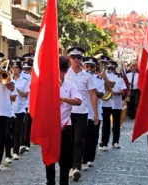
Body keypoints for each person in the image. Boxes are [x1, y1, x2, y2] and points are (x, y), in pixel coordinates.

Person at [45, 56, 82, 185]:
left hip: (65, 127)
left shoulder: (70, 86)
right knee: (49, 159)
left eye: (61, 71)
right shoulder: (47, 86)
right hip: (50, 128)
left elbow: (78, 101)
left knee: (64, 161)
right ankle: (50, 182)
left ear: (65, 72)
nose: (59, 74)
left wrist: (65, 99)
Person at [64, 47, 98, 181]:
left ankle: (76, 167)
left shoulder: (87, 76)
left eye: (79, 57)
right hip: (67, 112)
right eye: (74, 57)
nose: (77, 60)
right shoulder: (64, 74)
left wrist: (95, 113)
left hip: (82, 112)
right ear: (69, 59)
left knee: (79, 140)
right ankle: (68, 166)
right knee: (68, 141)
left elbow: (92, 94)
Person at [82, 57, 105, 170]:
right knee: (83, 137)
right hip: (84, 110)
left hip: (96, 111)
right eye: (87, 66)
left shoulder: (99, 79)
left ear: (95, 67)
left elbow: (101, 94)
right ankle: (83, 159)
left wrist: (92, 89)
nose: (89, 68)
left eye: (92, 66)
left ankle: (90, 158)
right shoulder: (80, 77)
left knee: (93, 137)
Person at [10, 56, 30, 159]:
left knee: (17, 131)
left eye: (16, 68)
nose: (14, 70)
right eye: (13, 68)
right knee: (10, 131)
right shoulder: (7, 78)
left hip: (20, 109)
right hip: (9, 109)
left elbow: (25, 94)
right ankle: (10, 150)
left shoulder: (24, 79)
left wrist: (15, 89)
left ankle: (15, 152)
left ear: (20, 69)